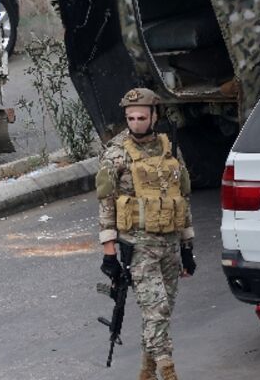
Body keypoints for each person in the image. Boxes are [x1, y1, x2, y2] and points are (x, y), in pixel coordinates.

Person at [97, 87, 194, 380]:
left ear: (155, 116)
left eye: (142, 117)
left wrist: (188, 248)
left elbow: (183, 198)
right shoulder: (116, 153)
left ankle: (146, 373)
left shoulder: (170, 148)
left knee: (161, 315)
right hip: (137, 246)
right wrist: (109, 253)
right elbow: (106, 204)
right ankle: (169, 372)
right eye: (131, 117)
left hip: (169, 244)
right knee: (157, 310)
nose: (136, 123)